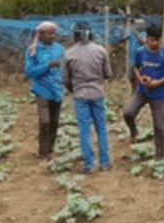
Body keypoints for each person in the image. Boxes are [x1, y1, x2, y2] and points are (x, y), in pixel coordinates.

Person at [122, 24, 164, 160]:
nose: (153, 43)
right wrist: (140, 78)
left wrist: (158, 82)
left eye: (156, 40)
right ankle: (134, 132)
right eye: (151, 40)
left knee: (160, 127)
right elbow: (136, 67)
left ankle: (160, 157)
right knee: (128, 113)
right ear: (146, 39)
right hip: (142, 91)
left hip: (159, 94)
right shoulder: (140, 51)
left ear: (161, 39)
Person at [63, 22, 113, 173]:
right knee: (101, 128)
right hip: (98, 94)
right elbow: (108, 74)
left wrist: (74, 90)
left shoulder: (69, 53)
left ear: (76, 35)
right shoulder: (101, 51)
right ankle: (104, 162)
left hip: (80, 95)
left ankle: (89, 165)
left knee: (84, 129)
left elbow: (65, 79)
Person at [24, 21, 64, 161]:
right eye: (49, 33)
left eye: (54, 33)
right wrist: (47, 65)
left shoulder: (60, 49)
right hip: (41, 89)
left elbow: (65, 68)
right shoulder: (33, 50)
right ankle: (43, 151)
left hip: (56, 88)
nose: (52, 36)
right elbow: (29, 71)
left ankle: (50, 150)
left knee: (54, 121)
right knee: (44, 121)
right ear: (40, 34)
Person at [126, 18, 147, 94]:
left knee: (139, 77)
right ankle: (133, 94)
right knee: (132, 78)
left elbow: (144, 42)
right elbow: (124, 38)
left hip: (140, 59)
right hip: (131, 59)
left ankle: (139, 94)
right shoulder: (131, 32)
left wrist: (136, 33)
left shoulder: (143, 33)